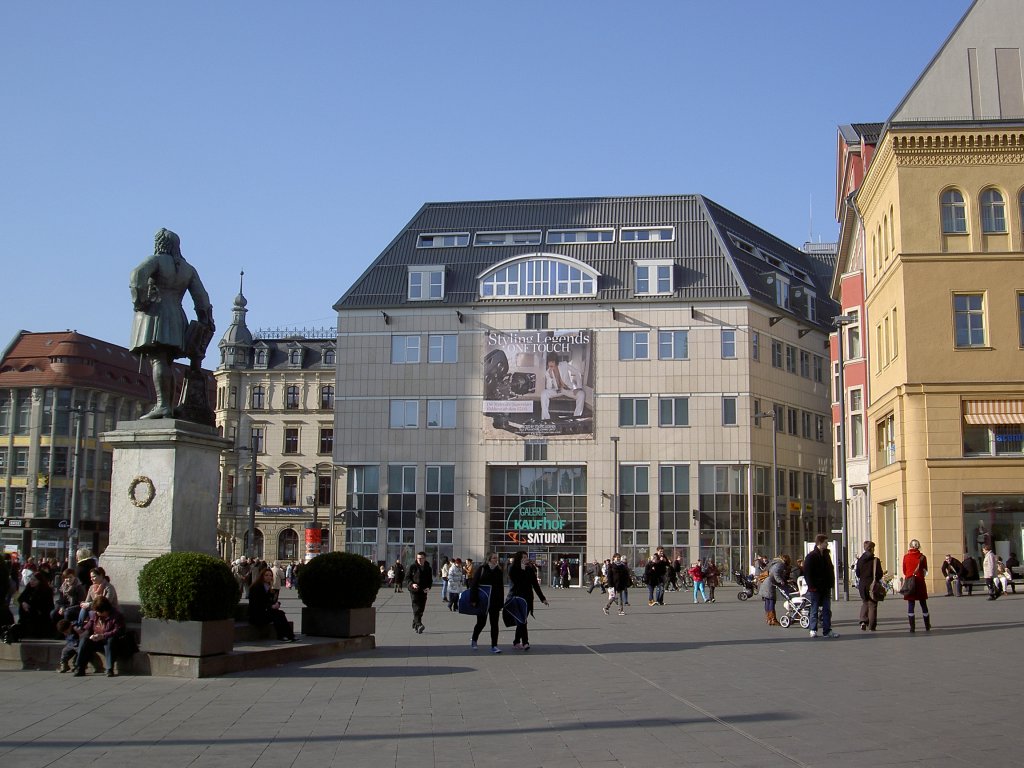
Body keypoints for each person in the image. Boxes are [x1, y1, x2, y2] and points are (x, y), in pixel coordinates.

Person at [128, 227, 214, 420]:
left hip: (156, 313)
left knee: (158, 359)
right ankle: (166, 405)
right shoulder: (187, 269)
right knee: (166, 361)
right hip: (177, 315)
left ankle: (163, 405)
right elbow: (203, 299)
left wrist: (140, 301)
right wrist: (205, 322)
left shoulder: (156, 260)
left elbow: (136, 276)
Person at [73, 597, 126, 677]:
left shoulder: (116, 616)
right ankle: (80, 668)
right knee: (84, 640)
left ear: (105, 610)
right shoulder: (95, 615)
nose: (97, 613)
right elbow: (90, 624)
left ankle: (109, 669)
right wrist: (82, 630)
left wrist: (103, 636)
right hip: (97, 639)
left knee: (110, 640)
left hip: (111, 641)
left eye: (98, 611)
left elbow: (118, 631)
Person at [508, 551, 549, 650]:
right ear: (519, 558)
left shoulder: (529, 569)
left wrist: (542, 598)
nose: (526, 559)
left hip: (527, 598)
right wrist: (521, 570)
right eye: (524, 557)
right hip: (517, 598)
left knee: (522, 620)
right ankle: (525, 642)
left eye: (526, 557)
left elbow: (535, 585)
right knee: (522, 621)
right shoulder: (513, 568)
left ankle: (516, 641)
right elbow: (515, 582)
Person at [804, 534, 839, 638]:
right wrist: (811, 586)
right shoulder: (811, 556)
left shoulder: (826, 555)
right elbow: (807, 573)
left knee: (827, 610)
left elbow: (830, 570)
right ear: (820, 543)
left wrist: (831, 584)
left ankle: (827, 630)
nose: (827, 544)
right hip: (815, 588)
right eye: (825, 542)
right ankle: (813, 629)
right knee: (814, 609)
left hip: (826, 587)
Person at [248, 566, 296, 642]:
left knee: (279, 613)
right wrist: (271, 606)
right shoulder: (256, 587)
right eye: (266, 575)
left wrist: (277, 604)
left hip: (265, 612)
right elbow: (257, 603)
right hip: (256, 615)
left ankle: (290, 636)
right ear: (262, 576)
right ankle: (283, 636)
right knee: (277, 614)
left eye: (270, 575)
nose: (268, 577)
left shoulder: (268, 587)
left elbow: (270, 601)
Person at [470, 552, 505, 653]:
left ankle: (494, 645)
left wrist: (501, 603)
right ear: (489, 559)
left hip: (494, 601)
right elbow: (474, 585)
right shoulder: (482, 569)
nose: (496, 560)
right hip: (483, 601)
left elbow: (500, 587)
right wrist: (473, 600)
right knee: (481, 623)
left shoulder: (498, 570)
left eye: (496, 558)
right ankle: (474, 639)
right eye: (494, 558)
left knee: (494, 624)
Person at [540, 351, 585, 422]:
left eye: (552, 364)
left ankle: (576, 418)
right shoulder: (547, 372)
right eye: (549, 364)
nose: (551, 366)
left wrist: (578, 388)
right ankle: (546, 419)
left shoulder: (564, 364)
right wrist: (550, 377)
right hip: (557, 390)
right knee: (544, 394)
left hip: (568, 389)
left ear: (556, 363)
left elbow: (577, 372)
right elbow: (549, 388)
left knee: (581, 394)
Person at [16, 570, 55, 638]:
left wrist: (30, 606)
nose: (32, 581)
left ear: (40, 581)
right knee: (21, 608)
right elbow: (20, 598)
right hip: (29, 609)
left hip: (41, 611)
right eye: (31, 579)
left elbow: (45, 605)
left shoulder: (46, 590)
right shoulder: (29, 587)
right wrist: (23, 603)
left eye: (34, 580)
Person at [855, 541, 884, 631]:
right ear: (871, 549)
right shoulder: (875, 560)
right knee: (872, 604)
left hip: (862, 585)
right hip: (872, 585)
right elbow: (879, 574)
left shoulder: (860, 560)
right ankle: (872, 625)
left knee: (865, 602)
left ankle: (863, 621)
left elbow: (858, 573)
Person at [902, 539, 930, 631]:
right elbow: (925, 570)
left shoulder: (906, 557)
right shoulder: (922, 557)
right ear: (918, 547)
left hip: (910, 582)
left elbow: (904, 570)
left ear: (910, 546)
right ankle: (927, 625)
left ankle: (912, 627)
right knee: (923, 604)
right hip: (920, 582)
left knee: (911, 604)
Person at [757, 554, 790, 626]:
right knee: (771, 600)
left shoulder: (774, 562)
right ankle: (772, 619)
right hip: (769, 584)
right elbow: (776, 573)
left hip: (765, 582)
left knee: (768, 601)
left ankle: (768, 618)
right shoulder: (780, 564)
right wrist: (781, 581)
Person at [405, 551, 432, 634]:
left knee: (421, 609)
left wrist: (428, 587)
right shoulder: (412, 567)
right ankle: (419, 624)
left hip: (423, 590)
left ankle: (415, 623)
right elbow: (407, 578)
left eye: (421, 558)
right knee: (416, 607)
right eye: (418, 558)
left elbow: (430, 580)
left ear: (425, 559)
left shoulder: (428, 568)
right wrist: (412, 584)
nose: (419, 560)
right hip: (414, 590)